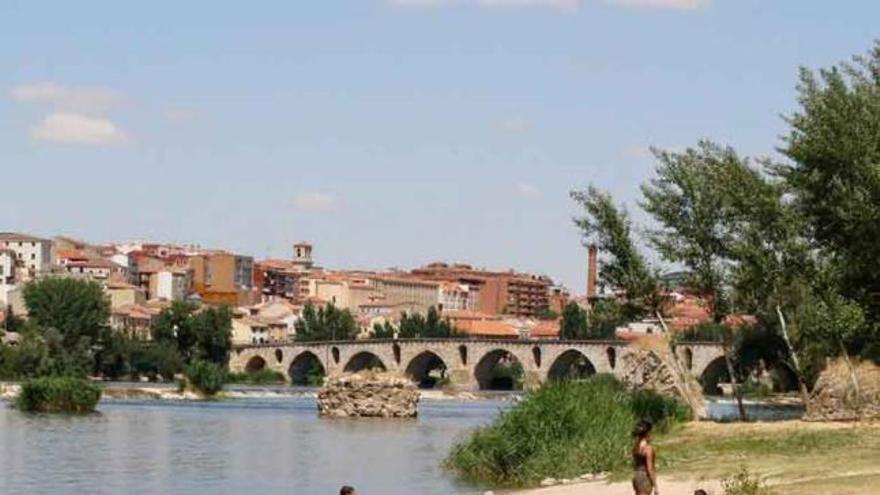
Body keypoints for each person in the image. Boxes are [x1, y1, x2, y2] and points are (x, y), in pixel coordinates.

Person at [632, 420, 658, 495]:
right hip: (645, 478)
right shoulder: (648, 449)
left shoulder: (635, 447)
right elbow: (650, 468)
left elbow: (634, 464)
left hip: (636, 476)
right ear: (647, 433)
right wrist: (655, 485)